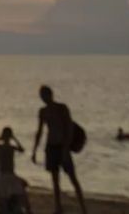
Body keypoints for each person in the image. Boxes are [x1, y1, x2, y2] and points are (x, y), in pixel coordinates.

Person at [32, 86, 87, 214]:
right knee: (55, 180)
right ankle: (58, 208)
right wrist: (34, 151)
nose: (44, 98)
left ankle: (84, 208)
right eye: (42, 96)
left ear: (51, 94)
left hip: (63, 146)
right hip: (51, 147)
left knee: (73, 178)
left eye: (45, 95)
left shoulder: (62, 108)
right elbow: (39, 131)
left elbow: (69, 129)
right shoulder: (42, 111)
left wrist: (65, 149)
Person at [0, 127, 33, 214]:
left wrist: (14, 138)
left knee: (19, 193)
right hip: (3, 175)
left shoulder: (10, 147)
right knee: (6, 196)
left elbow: (22, 149)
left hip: (10, 174)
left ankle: (26, 210)